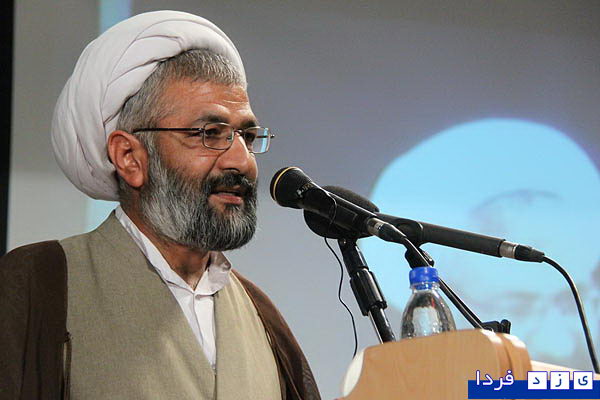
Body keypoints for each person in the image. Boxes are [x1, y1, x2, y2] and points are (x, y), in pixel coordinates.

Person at [0, 10, 320, 400]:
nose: (242, 161)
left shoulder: (260, 314)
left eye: (248, 136)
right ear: (129, 157)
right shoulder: (39, 283)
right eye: (210, 133)